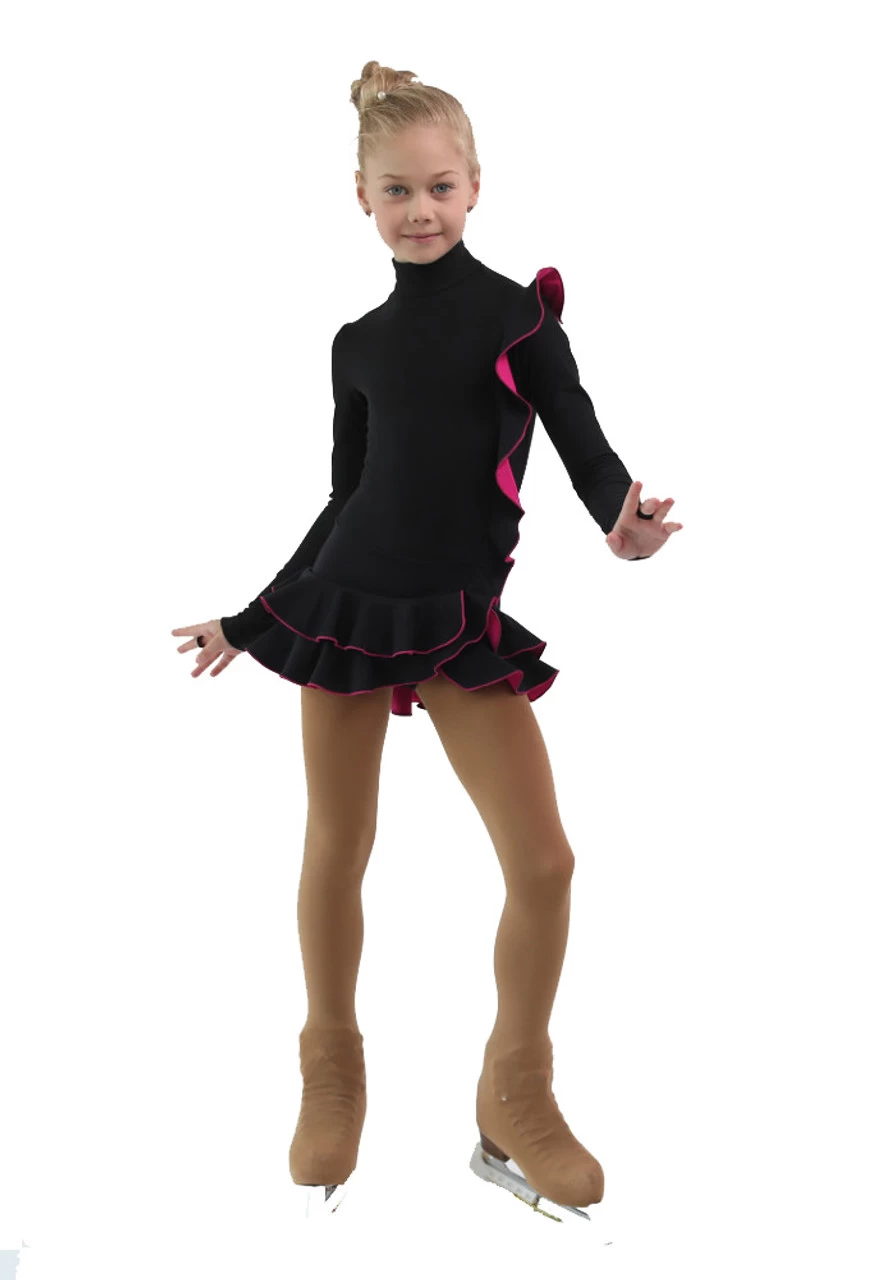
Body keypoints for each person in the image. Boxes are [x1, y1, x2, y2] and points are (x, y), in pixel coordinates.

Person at [171, 60, 682, 1225]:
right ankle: (330, 1066)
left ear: (475, 186)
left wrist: (621, 523)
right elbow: (346, 498)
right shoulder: (354, 344)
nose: (419, 210)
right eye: (395, 190)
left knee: (543, 862)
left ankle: (514, 1089)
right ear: (358, 194)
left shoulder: (515, 317)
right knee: (336, 843)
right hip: (346, 605)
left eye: (439, 187)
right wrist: (253, 619)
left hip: (457, 617)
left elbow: (581, 438)